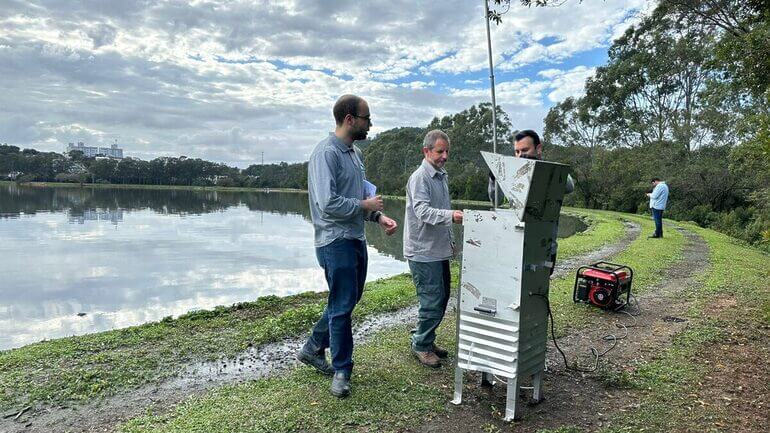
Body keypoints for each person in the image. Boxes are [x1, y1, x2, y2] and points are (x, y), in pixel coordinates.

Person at [296, 94, 398, 398]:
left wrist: (376, 215)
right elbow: (327, 204)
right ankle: (342, 370)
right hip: (334, 240)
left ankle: (313, 347)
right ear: (350, 119)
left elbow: (357, 197)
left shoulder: (354, 154)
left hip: (355, 238)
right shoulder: (326, 154)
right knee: (341, 306)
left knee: (347, 301)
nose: (370, 124)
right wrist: (365, 203)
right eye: (367, 118)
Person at [403, 130, 463, 368]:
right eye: (440, 151)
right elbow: (423, 212)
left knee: (442, 297)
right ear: (426, 151)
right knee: (431, 300)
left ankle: (426, 338)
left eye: (447, 151)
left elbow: (438, 210)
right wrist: (453, 216)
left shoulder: (441, 175)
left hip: (438, 250)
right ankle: (420, 344)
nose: (445, 156)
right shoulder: (420, 178)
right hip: (423, 251)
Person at [489, 130, 574, 273]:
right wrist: (493, 179)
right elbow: (495, 201)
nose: (520, 155)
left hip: (545, 247)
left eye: (525, 150)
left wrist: (541, 169)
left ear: (538, 149)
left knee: (537, 290)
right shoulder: (511, 173)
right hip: (513, 244)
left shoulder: (551, 171)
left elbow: (569, 186)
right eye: (517, 152)